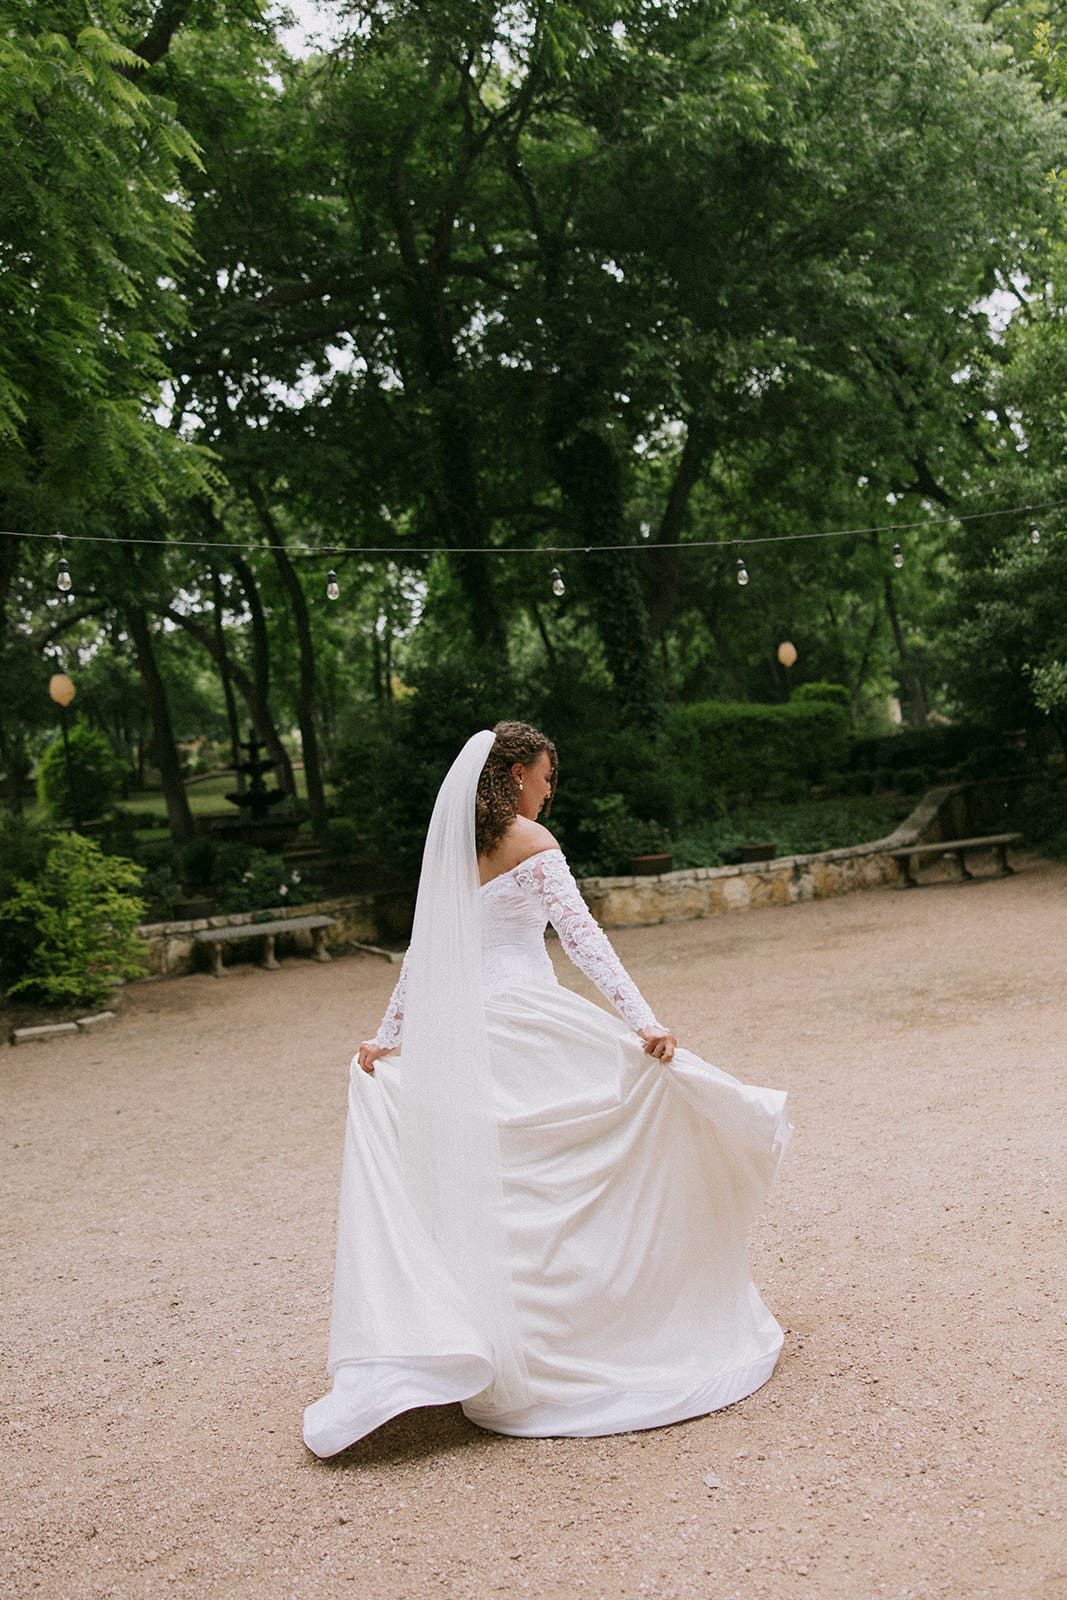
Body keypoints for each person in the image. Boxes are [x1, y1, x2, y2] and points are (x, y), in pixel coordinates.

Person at [303, 722, 790, 1457]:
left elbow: (422, 958)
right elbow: (584, 939)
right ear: (517, 774)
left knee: (506, 1190)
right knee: (608, 1145)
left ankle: (513, 1352)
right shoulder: (533, 844)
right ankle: (610, 1338)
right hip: (529, 1020)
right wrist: (642, 1021)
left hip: (468, 1037)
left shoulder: (455, 857)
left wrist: (390, 1036)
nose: (548, 790)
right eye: (545, 777)